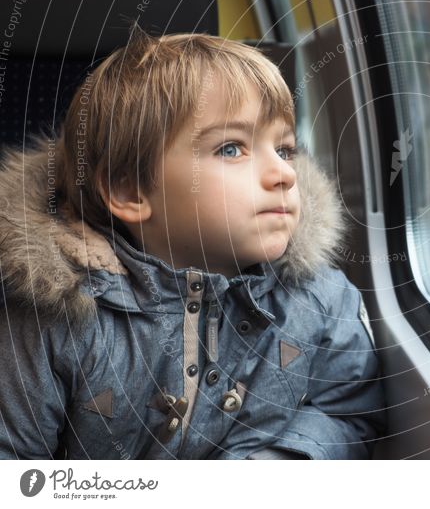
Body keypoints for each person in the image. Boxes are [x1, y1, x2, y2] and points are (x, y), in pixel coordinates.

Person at [0, 29, 385, 459]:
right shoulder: (55, 320)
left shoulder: (321, 300)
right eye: (232, 149)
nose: (284, 173)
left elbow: (350, 414)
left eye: (285, 149)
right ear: (130, 192)